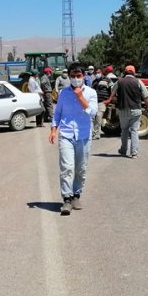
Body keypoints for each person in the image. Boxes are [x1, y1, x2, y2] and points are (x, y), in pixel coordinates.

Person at [49, 62, 97, 215]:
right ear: (69, 77)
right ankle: (67, 199)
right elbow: (58, 113)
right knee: (67, 167)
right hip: (67, 135)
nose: (76, 79)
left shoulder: (90, 93)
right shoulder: (63, 93)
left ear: (83, 76)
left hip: (83, 135)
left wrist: (80, 96)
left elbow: (93, 113)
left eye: (79, 76)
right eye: (73, 76)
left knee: (80, 168)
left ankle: (76, 194)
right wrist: (53, 130)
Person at [108, 64, 148, 158]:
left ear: (125, 72)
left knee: (124, 130)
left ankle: (123, 149)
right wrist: (147, 107)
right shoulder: (138, 81)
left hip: (123, 110)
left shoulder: (120, 81)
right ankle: (134, 152)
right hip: (136, 110)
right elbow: (145, 96)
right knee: (134, 131)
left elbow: (112, 91)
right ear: (134, 72)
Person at [91, 70, 114, 140]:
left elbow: (112, 91)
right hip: (94, 102)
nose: (97, 74)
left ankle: (97, 134)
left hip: (102, 102)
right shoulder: (94, 81)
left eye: (98, 72)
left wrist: (109, 100)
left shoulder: (107, 80)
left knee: (98, 117)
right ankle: (93, 133)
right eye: (96, 73)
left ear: (101, 73)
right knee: (92, 118)